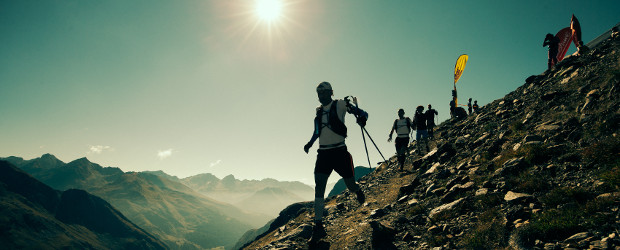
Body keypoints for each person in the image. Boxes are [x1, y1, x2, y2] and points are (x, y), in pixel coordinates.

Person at [303, 81, 367, 242]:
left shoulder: (340, 104)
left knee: (351, 185)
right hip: (323, 153)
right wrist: (310, 144)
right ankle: (318, 225)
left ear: (331, 92)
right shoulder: (318, 113)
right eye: (318, 93)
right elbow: (317, 131)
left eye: (323, 92)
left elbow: (362, 113)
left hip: (340, 152)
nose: (320, 95)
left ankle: (358, 191)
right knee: (319, 187)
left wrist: (362, 119)